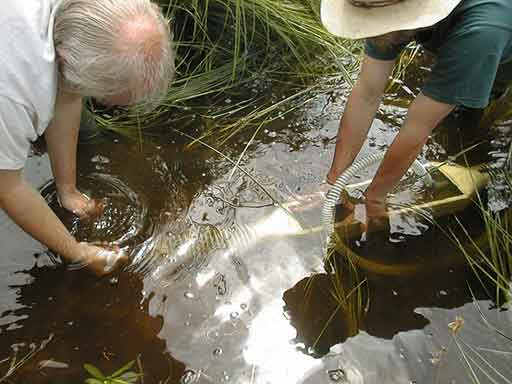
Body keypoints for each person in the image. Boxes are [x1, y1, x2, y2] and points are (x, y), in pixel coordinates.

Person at [0, 0, 175, 275]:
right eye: (108, 97)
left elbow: (69, 92)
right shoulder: (10, 93)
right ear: (66, 59)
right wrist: (77, 252)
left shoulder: (83, 20)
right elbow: (9, 188)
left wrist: (68, 191)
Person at [320, 0, 512, 218]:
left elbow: (417, 128)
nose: (369, 30)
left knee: (479, 114)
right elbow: (366, 92)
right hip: (472, 35)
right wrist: (336, 180)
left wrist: (375, 197)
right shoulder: (380, 4)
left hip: (494, 40)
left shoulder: (481, 33)